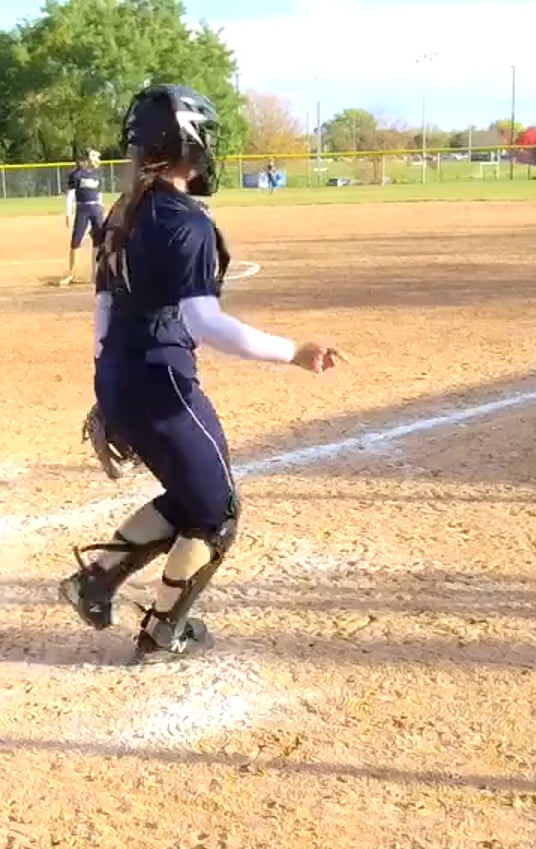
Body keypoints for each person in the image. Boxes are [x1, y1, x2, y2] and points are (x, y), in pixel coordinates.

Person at [61, 85, 343, 664]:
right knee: (217, 514)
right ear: (185, 142)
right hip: (162, 384)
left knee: (192, 497)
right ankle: (164, 631)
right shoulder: (182, 220)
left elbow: (104, 310)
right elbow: (204, 323)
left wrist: (108, 391)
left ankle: (97, 581)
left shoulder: (123, 210)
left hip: (121, 375)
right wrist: (294, 351)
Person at [59, 149, 104, 286]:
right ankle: (71, 274)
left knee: (98, 241)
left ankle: (95, 273)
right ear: (88, 158)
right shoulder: (76, 174)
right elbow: (71, 195)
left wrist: (101, 208)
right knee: (75, 241)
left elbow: (99, 194)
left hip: (96, 209)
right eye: (95, 157)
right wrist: (68, 213)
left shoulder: (98, 174)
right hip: (82, 209)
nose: (98, 160)